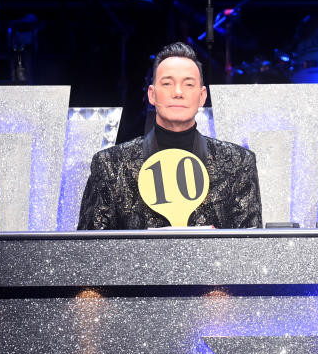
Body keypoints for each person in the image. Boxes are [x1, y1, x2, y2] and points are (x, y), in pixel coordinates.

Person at [78, 42, 262, 229]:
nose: (178, 92)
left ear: (202, 96)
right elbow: (90, 250)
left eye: (188, 84)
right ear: (152, 94)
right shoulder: (111, 165)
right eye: (167, 83)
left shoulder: (238, 163)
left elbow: (247, 250)